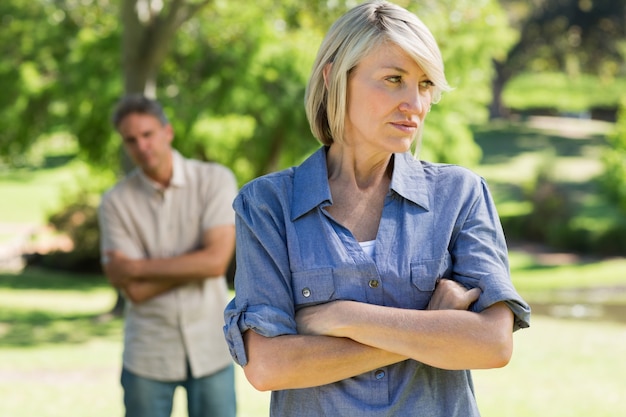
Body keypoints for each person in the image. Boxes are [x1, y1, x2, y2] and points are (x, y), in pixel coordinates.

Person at [223, 1, 531, 416]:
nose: (415, 104)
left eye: (424, 85)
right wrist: (429, 328)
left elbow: (493, 343)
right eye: (393, 79)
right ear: (334, 79)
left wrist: (342, 315)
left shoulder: (460, 194)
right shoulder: (266, 206)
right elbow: (268, 366)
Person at [98, 94, 238, 417]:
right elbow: (132, 289)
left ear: (167, 132)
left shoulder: (215, 180)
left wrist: (136, 268)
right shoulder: (115, 202)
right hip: (148, 353)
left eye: (147, 134)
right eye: (131, 140)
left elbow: (216, 262)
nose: (141, 146)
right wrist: (195, 263)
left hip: (211, 347)